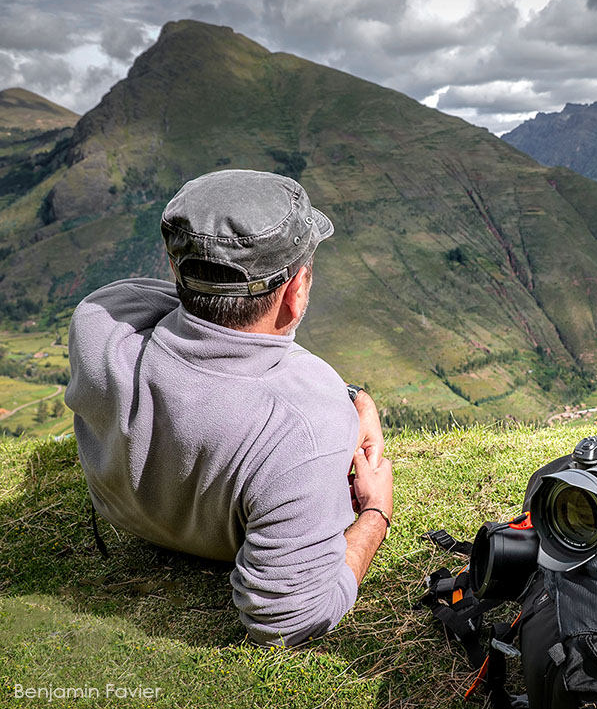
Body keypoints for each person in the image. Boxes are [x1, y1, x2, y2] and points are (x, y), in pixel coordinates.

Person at [65, 169, 393, 646]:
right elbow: (286, 619)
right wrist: (375, 515)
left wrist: (351, 397)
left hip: (125, 517)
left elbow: (188, 323)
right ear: (296, 289)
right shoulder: (302, 428)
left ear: (175, 268)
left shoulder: (98, 323)